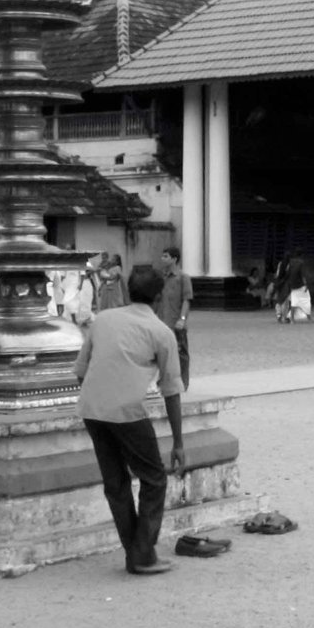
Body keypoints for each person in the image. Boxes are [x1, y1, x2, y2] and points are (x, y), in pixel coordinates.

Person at [74, 265, 186, 577]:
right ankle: (142, 554)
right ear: (159, 296)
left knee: (116, 484)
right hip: (127, 412)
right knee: (154, 479)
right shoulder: (162, 333)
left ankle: (136, 552)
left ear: (127, 290)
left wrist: (99, 397)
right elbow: (171, 391)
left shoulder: (103, 319)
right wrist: (178, 442)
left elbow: (81, 370)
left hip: (92, 409)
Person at [153, 246, 194, 386]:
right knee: (162, 353)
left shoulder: (183, 278)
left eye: (166, 256)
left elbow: (186, 300)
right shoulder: (161, 278)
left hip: (176, 322)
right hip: (162, 321)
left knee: (181, 353)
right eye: (162, 256)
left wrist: (182, 319)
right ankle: (164, 379)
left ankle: (182, 382)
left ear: (174, 259)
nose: (162, 259)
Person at [285, 254, 312, 323]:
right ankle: (309, 317)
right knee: (307, 301)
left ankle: (292, 319)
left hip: (293, 286)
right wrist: (306, 284)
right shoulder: (301, 263)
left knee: (294, 303)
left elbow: (287, 274)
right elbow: (303, 275)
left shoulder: (290, 264)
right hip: (300, 285)